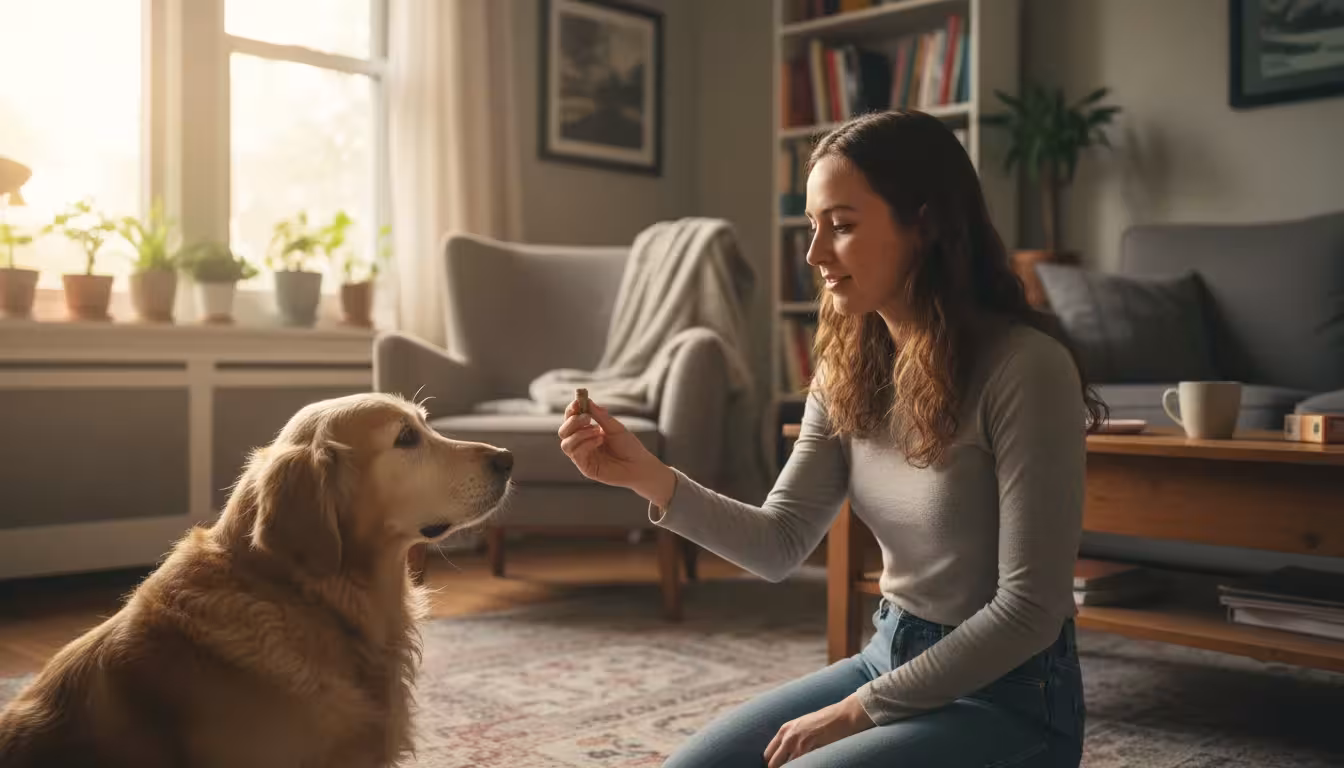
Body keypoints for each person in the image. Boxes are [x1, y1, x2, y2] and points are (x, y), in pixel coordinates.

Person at [556, 110, 1106, 768]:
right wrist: (643, 473)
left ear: (925, 224)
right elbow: (780, 542)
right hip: (888, 653)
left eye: (841, 227)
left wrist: (856, 712)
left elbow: (1030, 611)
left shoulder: (1026, 367)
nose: (814, 255)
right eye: (813, 228)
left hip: (1013, 701)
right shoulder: (849, 368)